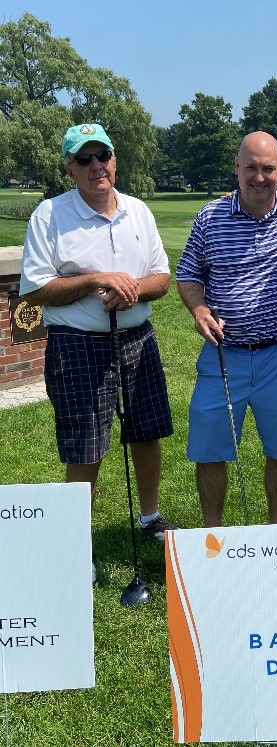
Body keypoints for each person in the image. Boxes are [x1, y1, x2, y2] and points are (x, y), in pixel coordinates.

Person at [20, 123, 178, 575]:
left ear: (114, 160)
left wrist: (130, 288)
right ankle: (77, 541)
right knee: (85, 445)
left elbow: (161, 278)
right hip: (77, 344)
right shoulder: (50, 215)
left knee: (148, 432)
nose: (96, 166)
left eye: (102, 156)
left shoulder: (138, 212)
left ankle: (149, 517)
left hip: (136, 339)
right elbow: (34, 289)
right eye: (84, 159)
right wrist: (96, 280)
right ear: (70, 167)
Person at [176, 131, 277, 527]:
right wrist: (199, 309)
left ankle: (275, 533)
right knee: (211, 449)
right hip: (221, 354)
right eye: (251, 168)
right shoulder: (210, 217)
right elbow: (189, 274)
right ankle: (213, 535)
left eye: (268, 169)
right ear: (237, 167)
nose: (259, 178)